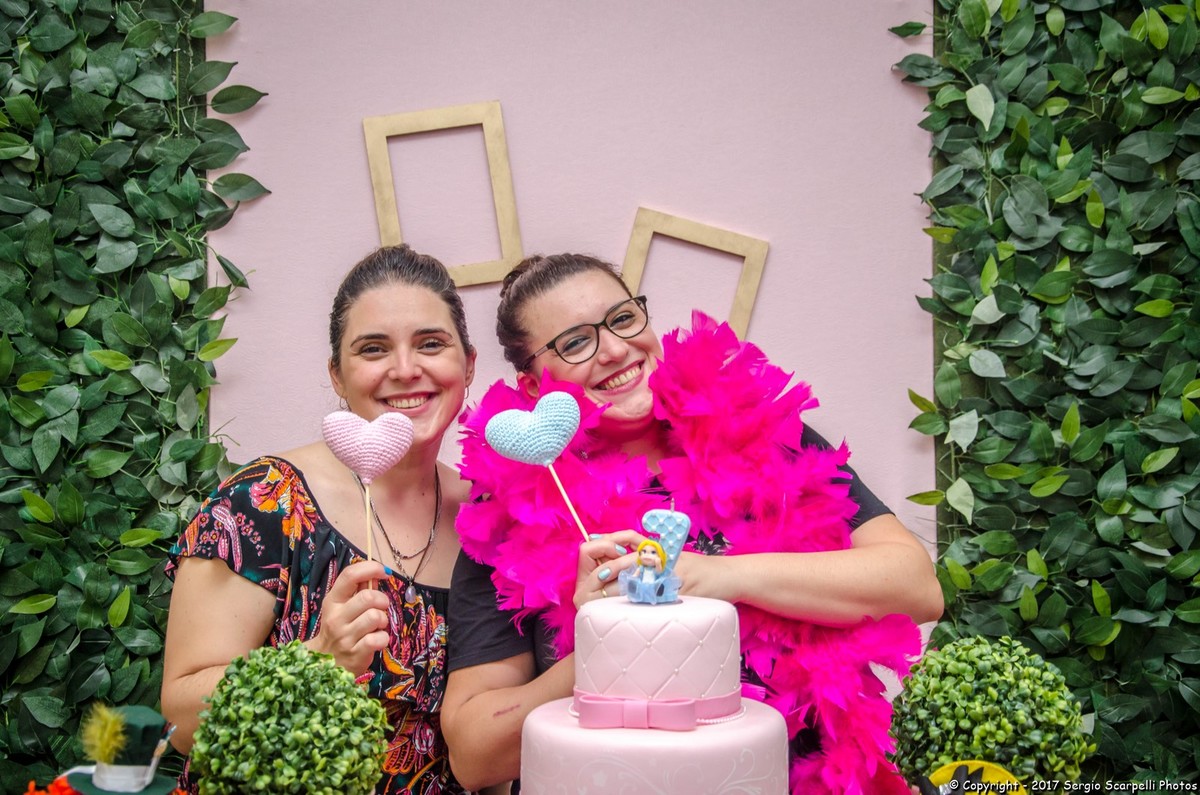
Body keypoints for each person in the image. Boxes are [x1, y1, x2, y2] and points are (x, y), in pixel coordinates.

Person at [441, 253, 944, 795]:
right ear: (533, 387)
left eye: (623, 318)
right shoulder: (511, 511)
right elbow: (473, 755)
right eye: (576, 342)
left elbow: (916, 586)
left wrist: (720, 576)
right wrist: (608, 641)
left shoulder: (769, 436)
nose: (615, 349)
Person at [162, 245, 476, 795]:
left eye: (431, 343)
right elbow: (182, 721)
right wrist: (318, 659)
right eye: (373, 349)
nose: (406, 370)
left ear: (468, 364)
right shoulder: (262, 502)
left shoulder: (487, 515)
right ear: (337, 375)